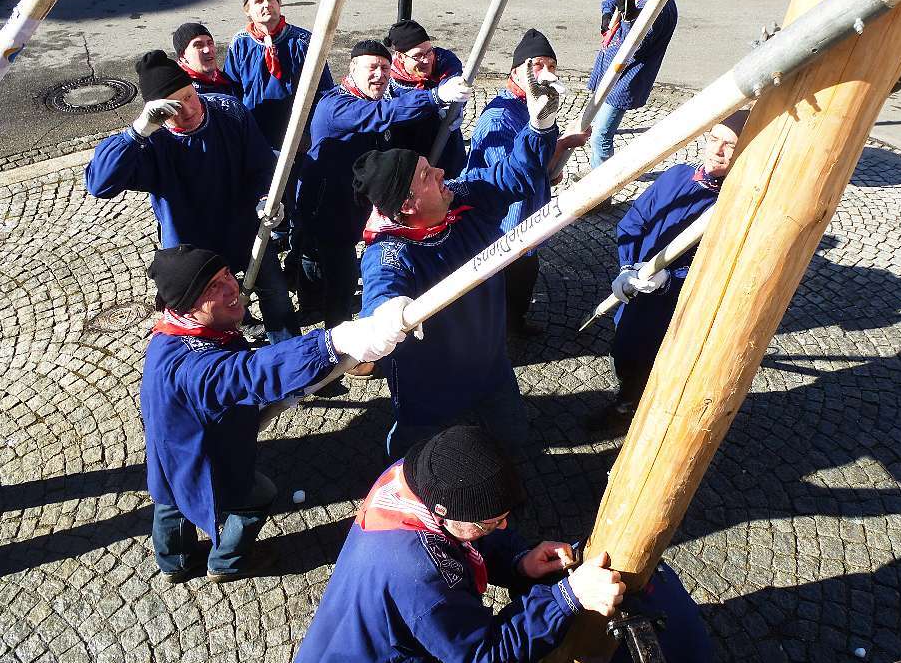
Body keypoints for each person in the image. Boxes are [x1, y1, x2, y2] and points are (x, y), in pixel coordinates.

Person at [142, 244, 409, 583]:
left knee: (169, 501)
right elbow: (251, 373)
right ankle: (228, 561)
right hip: (206, 459)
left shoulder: (170, 336)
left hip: (169, 455)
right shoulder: (192, 369)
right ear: (187, 306)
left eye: (227, 275)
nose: (232, 288)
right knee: (258, 496)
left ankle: (174, 563)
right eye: (212, 287)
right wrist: (336, 341)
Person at [354, 59, 561, 458]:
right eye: (427, 175)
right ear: (408, 204)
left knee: (515, 443)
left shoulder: (460, 195)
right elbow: (381, 295)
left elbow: (512, 176)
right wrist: (387, 313)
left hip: (490, 365)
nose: (441, 172)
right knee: (422, 457)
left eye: (430, 166)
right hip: (431, 385)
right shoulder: (392, 251)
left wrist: (539, 128)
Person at [293, 425, 626, 662]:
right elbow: (484, 654)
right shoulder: (424, 577)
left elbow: (465, 533)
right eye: (492, 523)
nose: (503, 526)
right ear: (445, 515)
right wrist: (565, 598)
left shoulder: (419, 476)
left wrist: (518, 561)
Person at [85, 50, 300, 344]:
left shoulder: (229, 111)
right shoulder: (151, 143)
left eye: (188, 96)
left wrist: (267, 198)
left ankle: (292, 361)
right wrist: (137, 132)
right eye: (173, 107)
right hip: (192, 250)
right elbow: (99, 184)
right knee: (210, 320)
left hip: (246, 233)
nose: (187, 110)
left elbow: (261, 165)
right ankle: (230, 368)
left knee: (277, 299)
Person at [294, 40, 472, 329]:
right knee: (341, 275)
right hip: (327, 207)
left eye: (386, 68)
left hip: (356, 205)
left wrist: (443, 123)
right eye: (372, 67)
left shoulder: (378, 99)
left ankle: (313, 300)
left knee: (318, 258)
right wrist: (434, 98)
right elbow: (379, 117)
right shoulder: (335, 105)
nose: (380, 74)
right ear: (352, 69)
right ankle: (336, 341)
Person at [591, 110, 748, 432]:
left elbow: (725, 268)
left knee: (660, 361)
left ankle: (633, 407)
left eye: (729, 145)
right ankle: (631, 392)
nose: (716, 150)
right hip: (638, 288)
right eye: (714, 138)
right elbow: (634, 222)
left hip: (678, 304)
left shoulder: (738, 205)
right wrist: (627, 266)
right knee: (625, 348)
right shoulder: (676, 176)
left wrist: (670, 279)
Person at [465, 30, 590, 335]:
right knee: (507, 278)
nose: (547, 73)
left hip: (529, 214)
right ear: (516, 72)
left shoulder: (538, 103)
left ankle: (515, 323)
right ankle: (499, 335)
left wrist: (552, 168)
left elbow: (540, 165)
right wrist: (560, 146)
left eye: (552, 66)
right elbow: (510, 176)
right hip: (504, 224)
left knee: (526, 273)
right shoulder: (498, 118)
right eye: (537, 66)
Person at [588, 0, 678, 171]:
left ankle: (600, 190)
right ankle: (596, 172)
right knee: (595, 121)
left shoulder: (660, 5)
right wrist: (608, 14)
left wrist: (629, 19)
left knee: (601, 135)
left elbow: (638, 46)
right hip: (607, 65)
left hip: (626, 77)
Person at [224, 0, 335, 150]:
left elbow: (323, 91)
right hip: (254, 134)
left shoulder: (303, 42)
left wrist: (308, 132)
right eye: (259, 1)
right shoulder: (240, 43)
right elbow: (232, 90)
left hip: (295, 136)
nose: (267, 4)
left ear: (279, 4)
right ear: (247, 10)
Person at [384, 19, 469, 178]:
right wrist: (435, 98)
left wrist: (455, 106)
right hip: (412, 160)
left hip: (448, 152)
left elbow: (455, 79)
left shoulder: (443, 61)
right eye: (418, 55)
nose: (426, 60)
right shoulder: (388, 83)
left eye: (429, 51)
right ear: (400, 57)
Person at [172, 22, 242, 101]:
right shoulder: (181, 92)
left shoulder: (224, 80)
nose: (208, 50)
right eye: (198, 45)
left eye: (210, 43)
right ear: (182, 55)